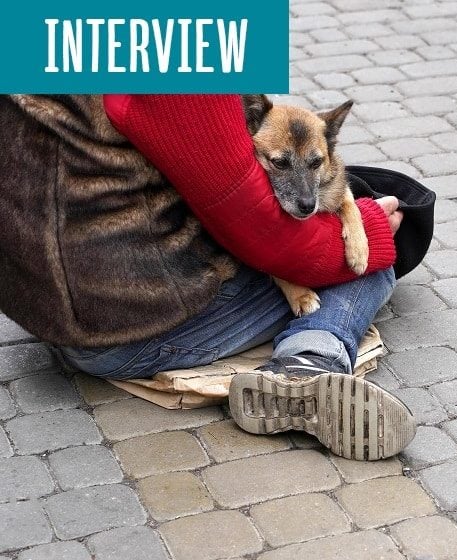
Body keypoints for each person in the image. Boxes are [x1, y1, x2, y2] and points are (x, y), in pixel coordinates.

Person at [0, 94, 415, 460]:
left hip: (47, 303)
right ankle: (307, 367)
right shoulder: (185, 57)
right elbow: (258, 233)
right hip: (120, 330)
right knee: (370, 267)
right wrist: (374, 231)